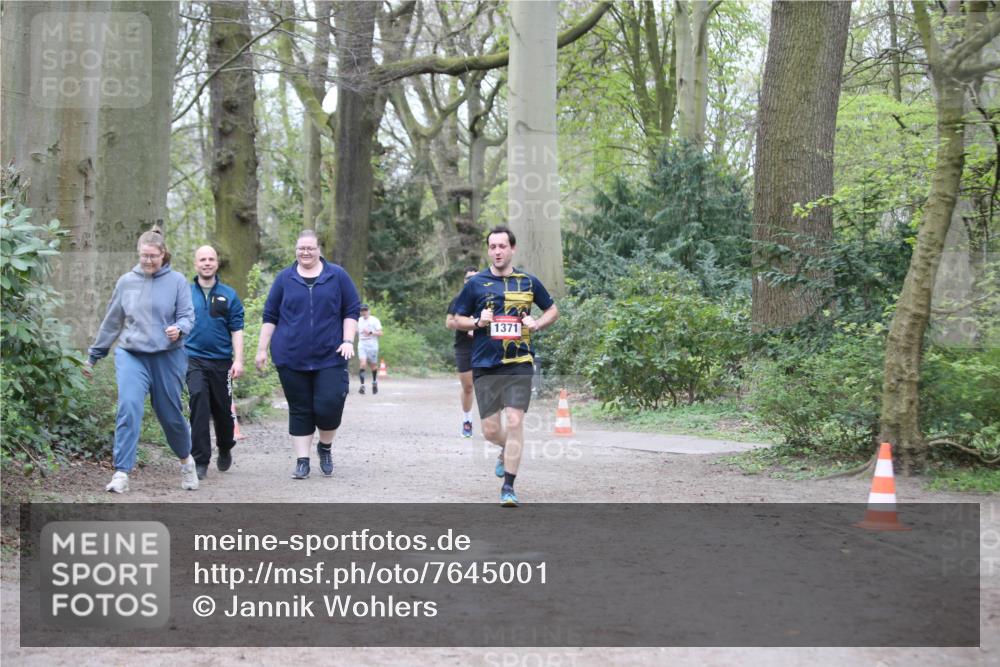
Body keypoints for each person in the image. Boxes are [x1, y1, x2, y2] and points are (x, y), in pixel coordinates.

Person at [85, 227, 199, 493]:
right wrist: (93, 357)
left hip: (168, 356)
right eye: (143, 256)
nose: (147, 261)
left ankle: (186, 461)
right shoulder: (126, 281)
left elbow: (188, 316)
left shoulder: (178, 282)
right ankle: (121, 473)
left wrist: (178, 328)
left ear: (163, 254)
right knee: (129, 406)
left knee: (169, 414)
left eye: (153, 256)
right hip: (131, 354)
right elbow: (112, 322)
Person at [452, 225, 559, 506]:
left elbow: (552, 309)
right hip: (486, 363)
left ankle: (508, 487)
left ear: (512, 249)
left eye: (502, 246)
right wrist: (477, 322)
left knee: (514, 421)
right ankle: (504, 449)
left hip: (519, 361)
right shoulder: (475, 284)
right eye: (492, 247)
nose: (497, 251)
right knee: (490, 430)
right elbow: (454, 319)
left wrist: (537, 323)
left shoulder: (528, 282)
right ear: (488, 250)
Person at [255, 230, 360, 480]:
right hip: (291, 355)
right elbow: (270, 316)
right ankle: (302, 460)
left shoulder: (337, 276)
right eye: (301, 248)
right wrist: (261, 350)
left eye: (310, 248)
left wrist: (347, 340)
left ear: (319, 249)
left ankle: (325, 447)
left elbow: (351, 309)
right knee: (300, 408)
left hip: (330, 355)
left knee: (329, 404)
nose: (305, 252)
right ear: (296, 250)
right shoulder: (284, 279)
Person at [184, 245, 245, 480]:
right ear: (195, 264)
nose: (207, 263)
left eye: (211, 259)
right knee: (198, 401)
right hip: (193, 359)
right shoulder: (186, 293)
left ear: (217, 263)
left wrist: (238, 360)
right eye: (202, 259)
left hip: (222, 362)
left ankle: (226, 445)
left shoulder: (229, 295)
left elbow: (237, 329)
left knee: (222, 410)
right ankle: (200, 459)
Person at [445, 266, 480, 437]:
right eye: (468, 279)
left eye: (475, 278)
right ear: (464, 281)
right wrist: (467, 324)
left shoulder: (488, 299)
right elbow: (449, 323)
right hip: (464, 347)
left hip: (485, 345)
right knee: (468, 386)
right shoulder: (458, 299)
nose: (471, 281)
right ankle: (467, 420)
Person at [356, 304, 383, 395]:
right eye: (362, 310)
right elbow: (355, 330)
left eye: (365, 310)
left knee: (373, 366)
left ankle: (374, 382)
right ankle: (362, 386)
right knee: (362, 364)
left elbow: (381, 333)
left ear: (369, 311)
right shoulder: (359, 321)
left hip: (372, 346)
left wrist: (371, 332)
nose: (364, 312)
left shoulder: (374, 320)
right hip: (362, 344)